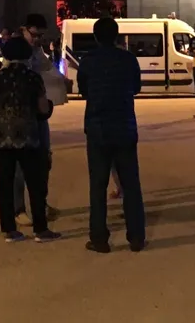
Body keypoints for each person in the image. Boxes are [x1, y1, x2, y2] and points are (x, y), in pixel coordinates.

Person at [0, 36, 61, 243]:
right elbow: (42, 108)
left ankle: (9, 230)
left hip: (1, 137)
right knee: (35, 183)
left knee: (5, 183)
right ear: (27, 55)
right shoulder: (32, 78)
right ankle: (41, 229)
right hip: (28, 136)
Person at [77, 17, 146, 253]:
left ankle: (99, 239)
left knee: (97, 186)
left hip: (97, 128)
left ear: (96, 37)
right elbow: (137, 88)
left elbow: (84, 90)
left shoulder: (87, 61)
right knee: (131, 185)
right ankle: (136, 237)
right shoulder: (128, 59)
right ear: (117, 35)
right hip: (125, 126)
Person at [13, 13, 65, 227]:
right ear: (24, 29)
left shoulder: (37, 50)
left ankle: (40, 204)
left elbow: (47, 71)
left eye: (41, 36)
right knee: (20, 165)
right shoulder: (14, 51)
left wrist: (62, 81)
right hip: (19, 116)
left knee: (44, 161)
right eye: (35, 35)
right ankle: (18, 209)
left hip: (39, 114)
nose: (37, 39)